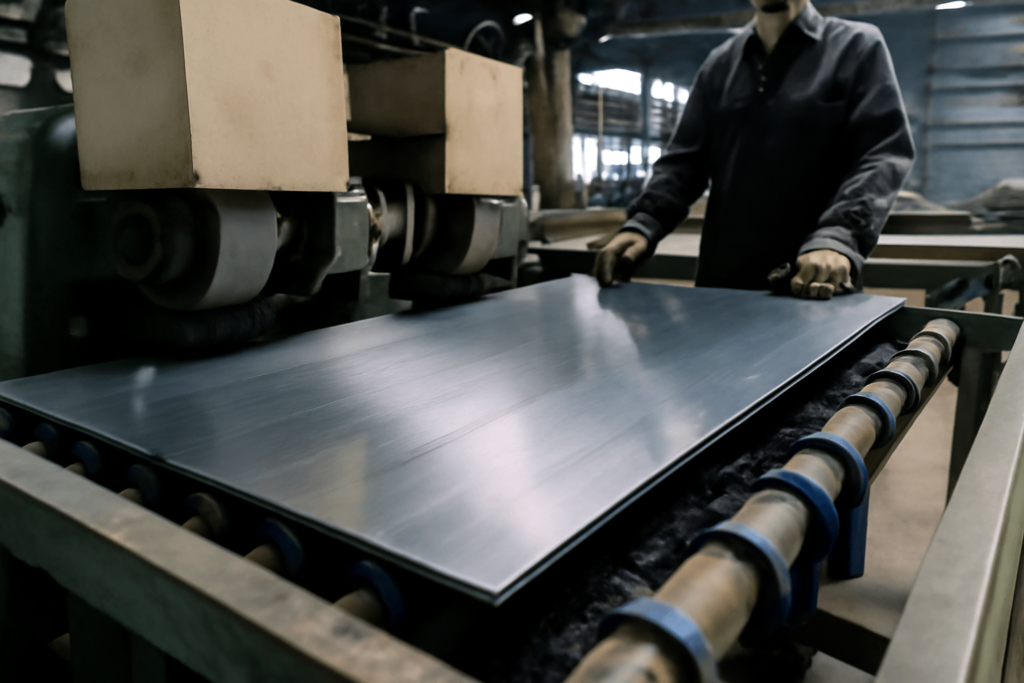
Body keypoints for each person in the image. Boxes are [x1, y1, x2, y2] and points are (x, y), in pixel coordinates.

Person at [592, 0, 914, 300]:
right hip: (724, 286)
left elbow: (883, 152)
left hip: (815, 281)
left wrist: (839, 236)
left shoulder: (855, 47)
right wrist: (645, 223)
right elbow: (685, 161)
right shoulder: (720, 64)